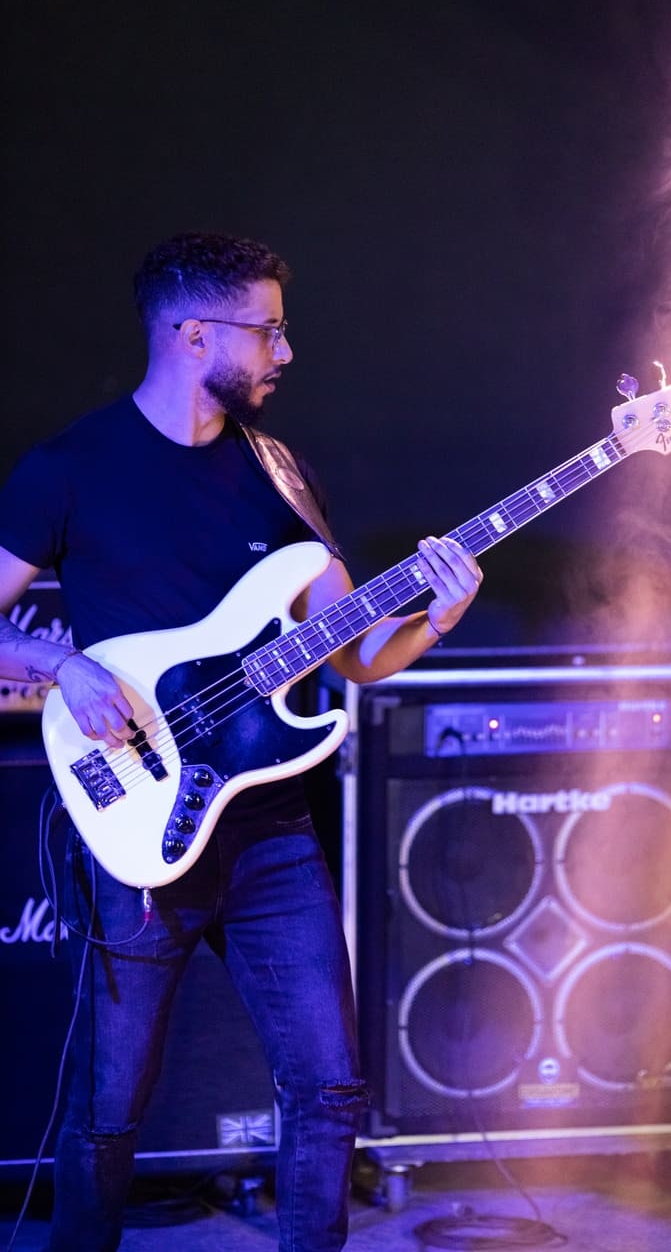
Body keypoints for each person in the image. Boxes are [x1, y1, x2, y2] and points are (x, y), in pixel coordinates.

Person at [0, 231, 483, 1252]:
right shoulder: (68, 469)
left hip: (269, 832)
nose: (285, 352)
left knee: (329, 1088)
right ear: (192, 334)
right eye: (266, 330)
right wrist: (59, 665)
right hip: (139, 831)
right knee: (106, 1113)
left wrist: (435, 617)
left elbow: (354, 657)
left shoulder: (279, 470)